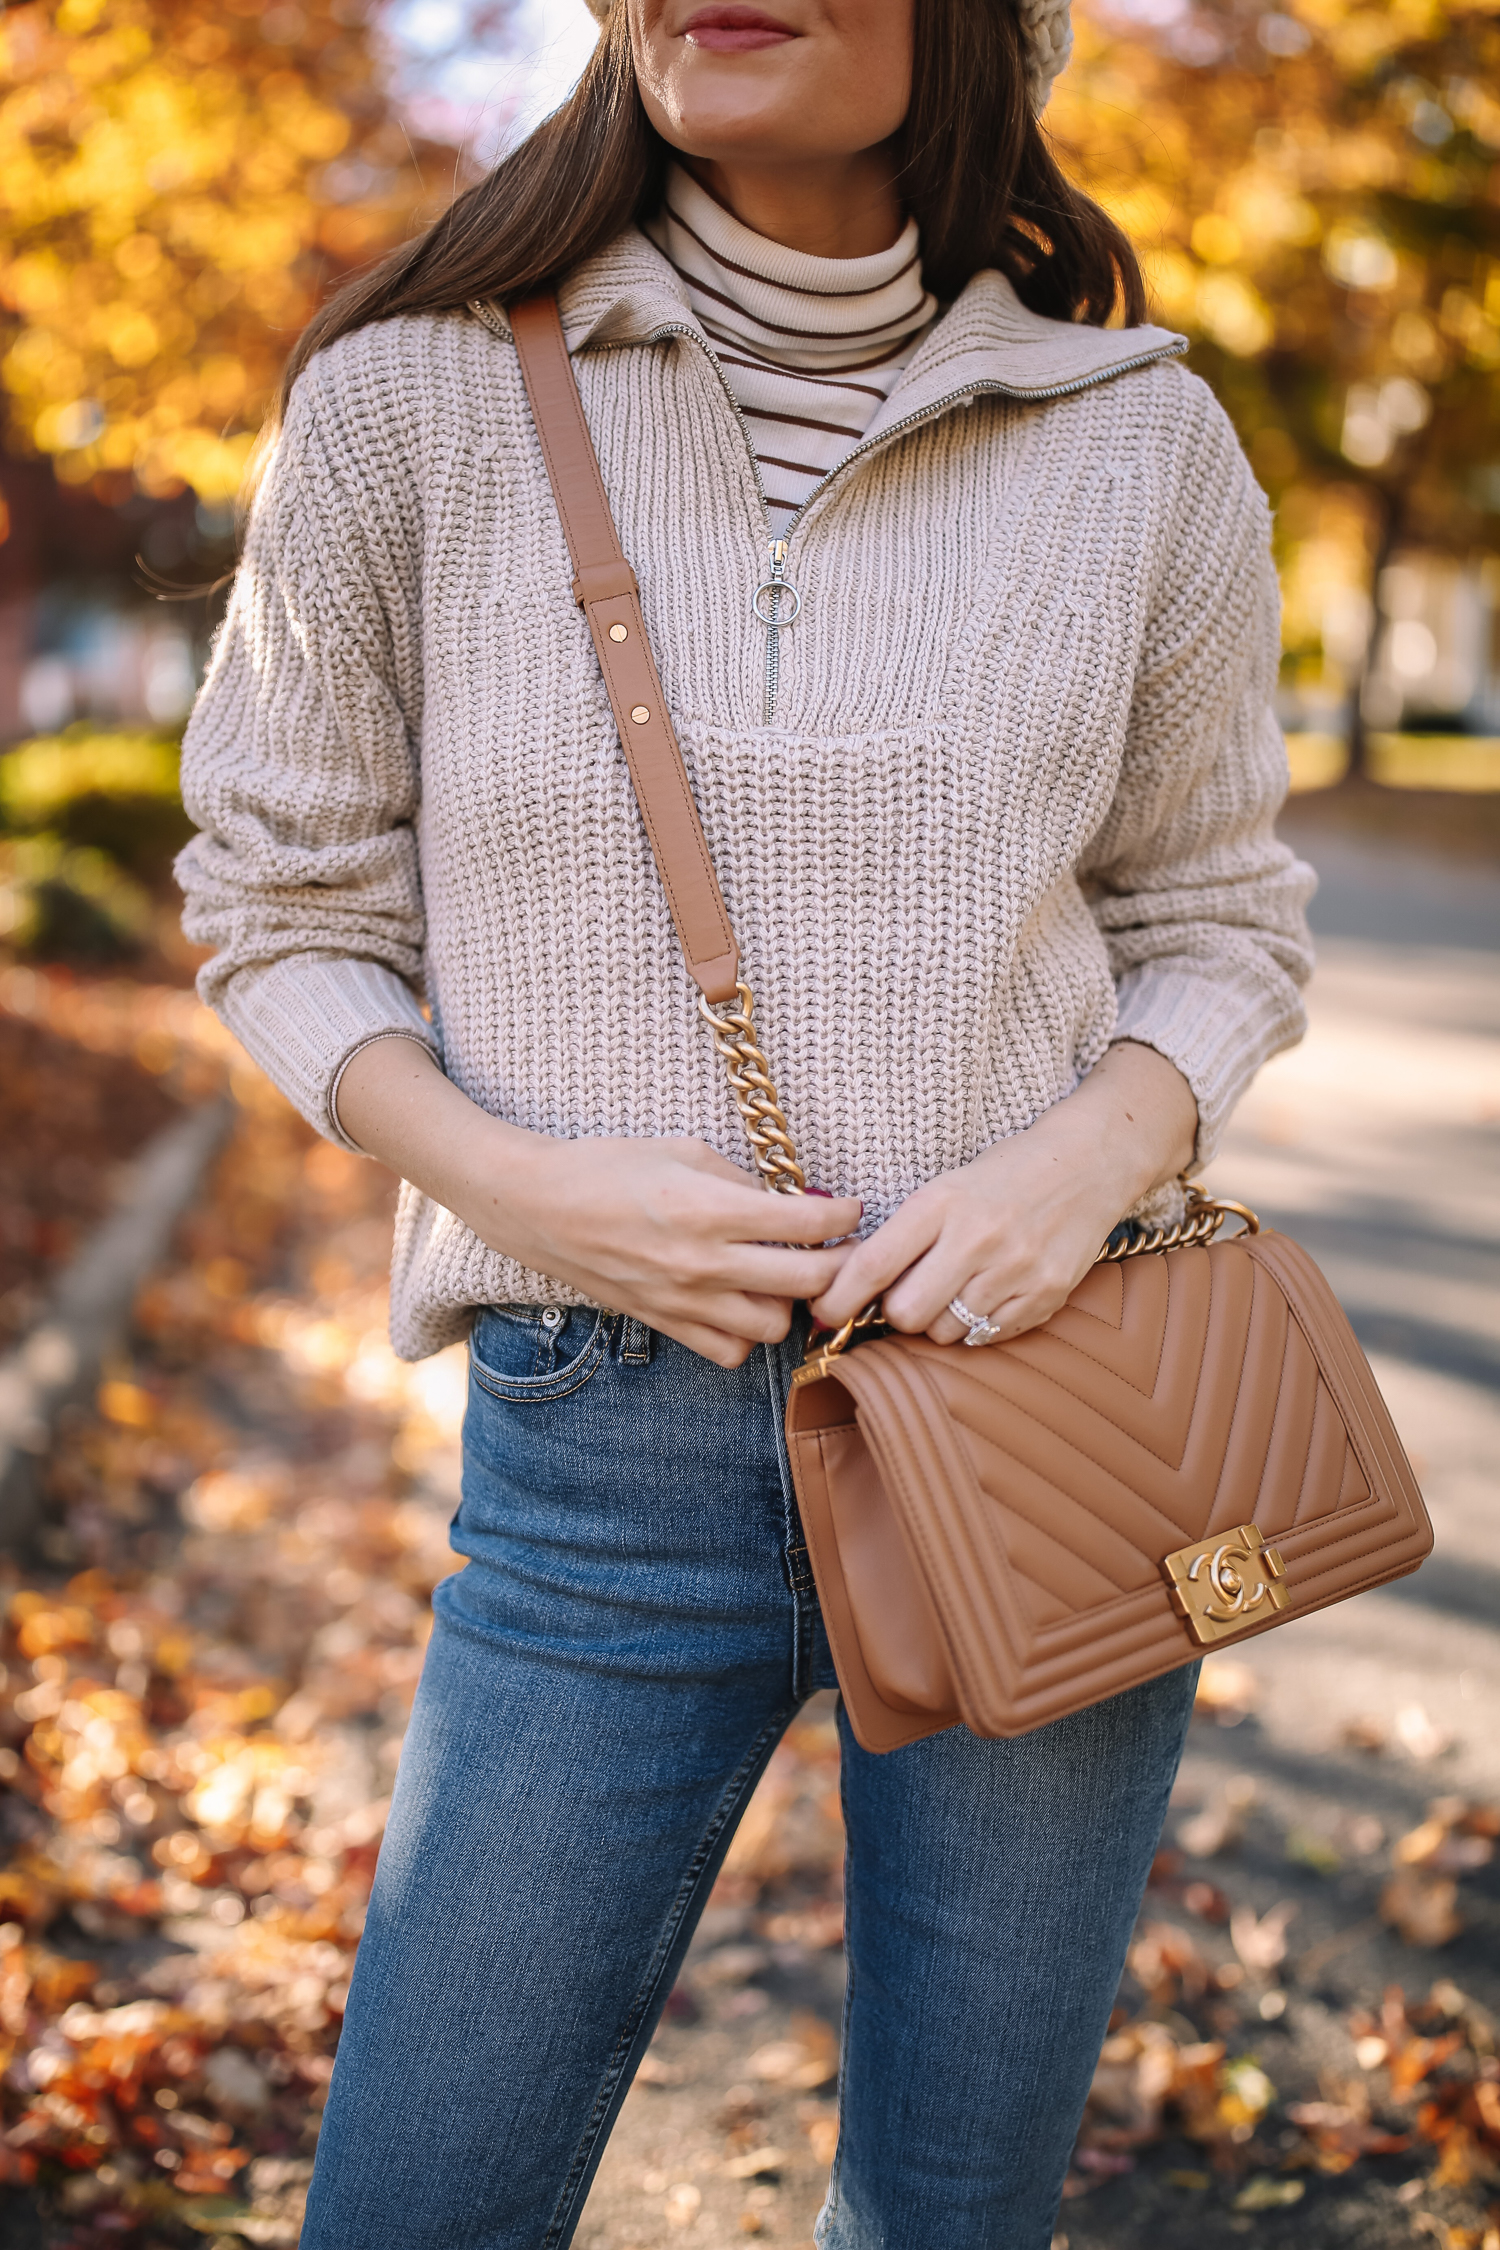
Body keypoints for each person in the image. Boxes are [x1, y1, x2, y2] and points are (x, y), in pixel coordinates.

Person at [176, 0, 1315, 2240]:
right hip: (602, 1453)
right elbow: (276, 904)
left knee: (949, 2217)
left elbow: (1218, 921)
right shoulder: (406, 402)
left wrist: (1084, 1161)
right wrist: (530, 1191)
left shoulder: (1142, 444)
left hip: (1044, 1429)